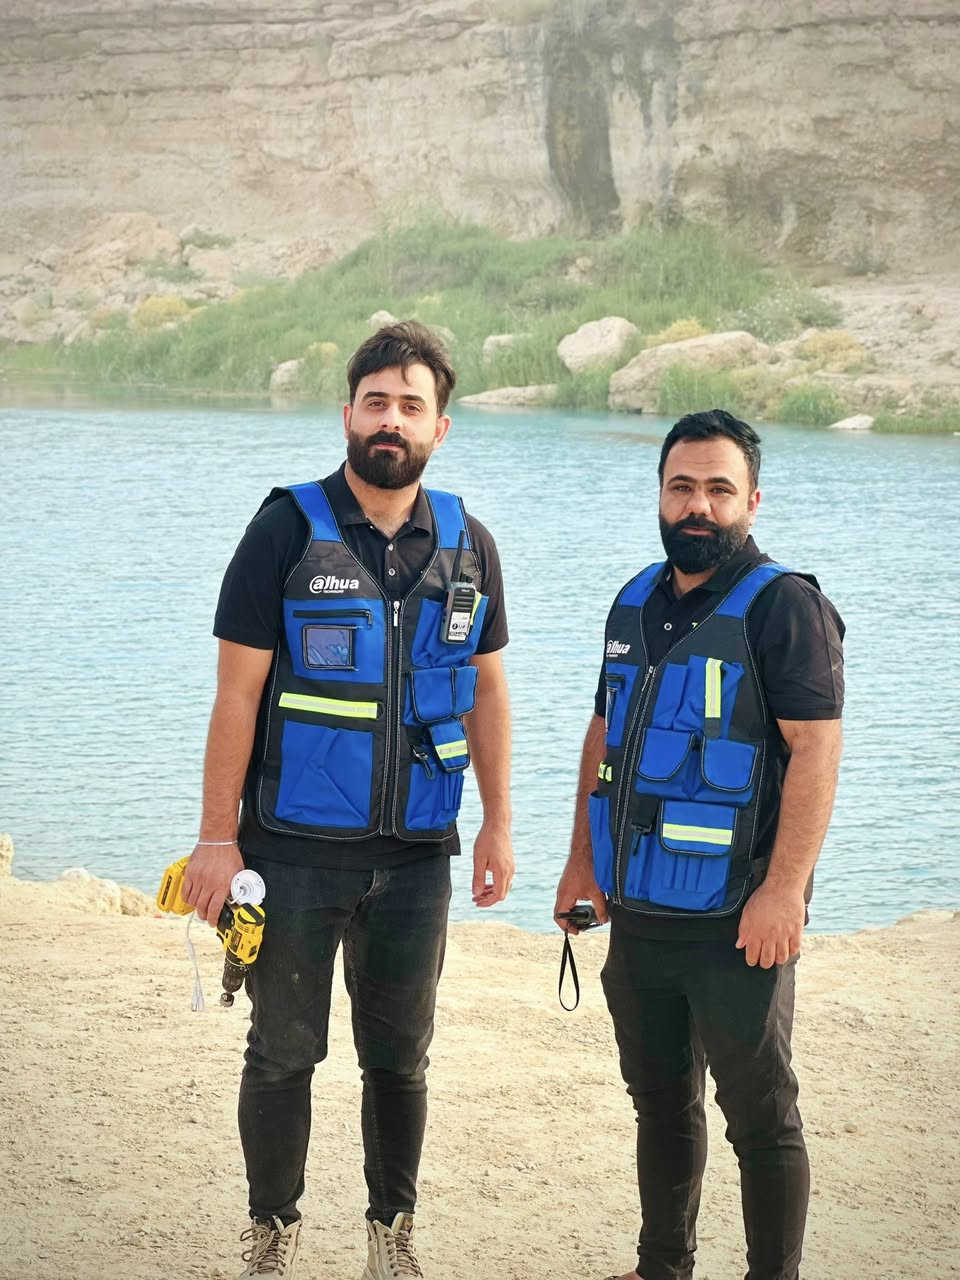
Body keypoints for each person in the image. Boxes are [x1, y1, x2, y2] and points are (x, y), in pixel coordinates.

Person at [183, 321, 514, 1280]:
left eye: (412, 405)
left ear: (440, 427)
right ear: (347, 415)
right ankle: (272, 1234)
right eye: (376, 402)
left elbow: (488, 690)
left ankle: (389, 1236)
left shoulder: (469, 544)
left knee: (400, 1060)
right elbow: (236, 694)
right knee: (283, 1054)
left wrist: (497, 822)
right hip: (291, 851)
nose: (391, 420)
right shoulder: (284, 531)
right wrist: (216, 839)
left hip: (417, 855)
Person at [554, 409, 844, 1280]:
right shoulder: (633, 601)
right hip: (640, 910)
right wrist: (583, 864)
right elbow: (605, 733)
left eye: (720, 489)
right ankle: (662, 1268)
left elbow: (816, 750)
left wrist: (784, 891)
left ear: (752, 501)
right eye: (682, 487)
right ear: (660, 495)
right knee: (660, 1104)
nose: (699, 506)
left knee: (760, 1117)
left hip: (735, 918)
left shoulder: (785, 607)